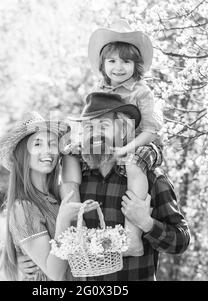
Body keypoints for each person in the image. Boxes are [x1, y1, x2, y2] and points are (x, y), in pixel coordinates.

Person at [61, 19, 164, 257]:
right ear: (103, 64)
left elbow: (151, 131)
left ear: (136, 65)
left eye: (126, 61)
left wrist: (126, 148)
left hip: (142, 144)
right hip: (112, 145)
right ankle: (75, 226)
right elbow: (92, 123)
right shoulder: (101, 90)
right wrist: (80, 144)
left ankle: (132, 235)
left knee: (134, 163)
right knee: (69, 156)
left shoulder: (141, 91)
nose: (119, 67)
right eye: (112, 61)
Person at [69, 92, 189, 280]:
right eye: (88, 127)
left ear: (124, 130)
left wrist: (146, 223)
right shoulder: (77, 181)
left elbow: (181, 241)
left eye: (104, 125)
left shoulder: (150, 179)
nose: (94, 133)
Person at [0, 111, 99, 281]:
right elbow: (55, 273)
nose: (47, 151)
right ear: (23, 155)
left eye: (52, 144)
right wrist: (63, 222)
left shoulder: (55, 196)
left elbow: (71, 182)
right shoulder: (24, 207)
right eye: (37, 144)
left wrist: (67, 152)